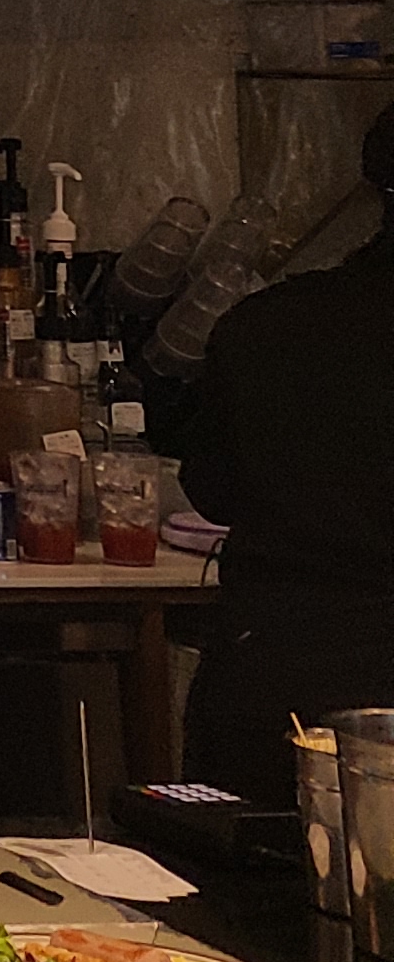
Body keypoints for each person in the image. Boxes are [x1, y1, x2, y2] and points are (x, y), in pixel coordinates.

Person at [162, 105, 394, 806]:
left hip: (274, 690)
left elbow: (212, 487)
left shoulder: (265, 325)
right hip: (320, 692)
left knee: (241, 875)